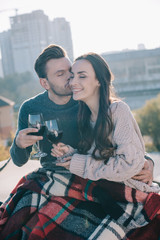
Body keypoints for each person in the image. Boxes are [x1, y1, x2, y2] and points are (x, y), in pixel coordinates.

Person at [0, 45, 158, 240]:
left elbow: (123, 140)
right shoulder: (31, 107)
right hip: (53, 174)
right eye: (61, 74)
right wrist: (19, 144)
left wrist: (146, 161)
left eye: (72, 72)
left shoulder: (83, 100)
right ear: (44, 82)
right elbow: (19, 160)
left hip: (91, 177)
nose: (70, 79)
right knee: (22, 215)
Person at [52, 52, 159, 193]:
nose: (73, 82)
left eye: (82, 76)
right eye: (72, 76)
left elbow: (129, 163)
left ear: (99, 81)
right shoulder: (86, 117)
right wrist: (70, 154)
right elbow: (99, 160)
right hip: (103, 190)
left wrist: (79, 163)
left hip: (129, 193)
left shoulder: (117, 110)